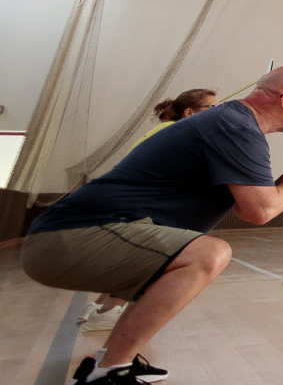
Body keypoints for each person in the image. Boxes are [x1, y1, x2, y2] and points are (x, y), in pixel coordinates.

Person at [21, 67, 283, 385]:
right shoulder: (237, 127)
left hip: (73, 236)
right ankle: (103, 381)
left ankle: (108, 362)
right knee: (208, 255)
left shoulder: (232, 122)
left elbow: (249, 208)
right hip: (68, 239)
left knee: (180, 261)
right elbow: (262, 211)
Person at [77, 88, 220, 334]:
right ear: (189, 113)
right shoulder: (183, 133)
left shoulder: (164, 129)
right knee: (150, 261)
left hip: (128, 202)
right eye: (212, 107)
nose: (218, 111)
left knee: (133, 260)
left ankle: (98, 306)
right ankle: (107, 313)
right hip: (142, 205)